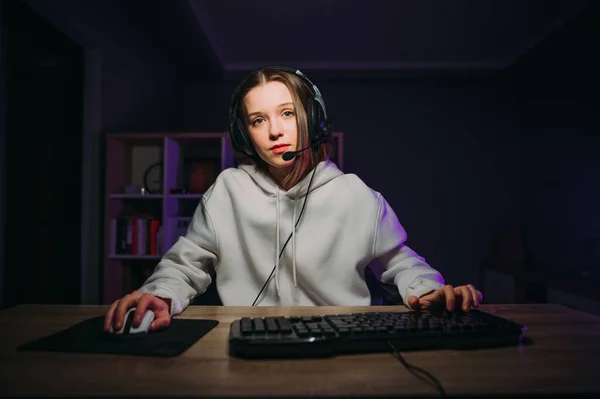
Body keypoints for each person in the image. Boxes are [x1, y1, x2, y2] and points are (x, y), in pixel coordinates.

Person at [104, 66, 483, 334]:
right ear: (245, 133)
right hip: (247, 343)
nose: (275, 131)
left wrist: (427, 290)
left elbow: (400, 264)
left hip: (344, 345)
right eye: (257, 120)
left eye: (287, 113)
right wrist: (158, 296)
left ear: (311, 119)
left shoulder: (356, 195)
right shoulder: (227, 191)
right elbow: (185, 267)